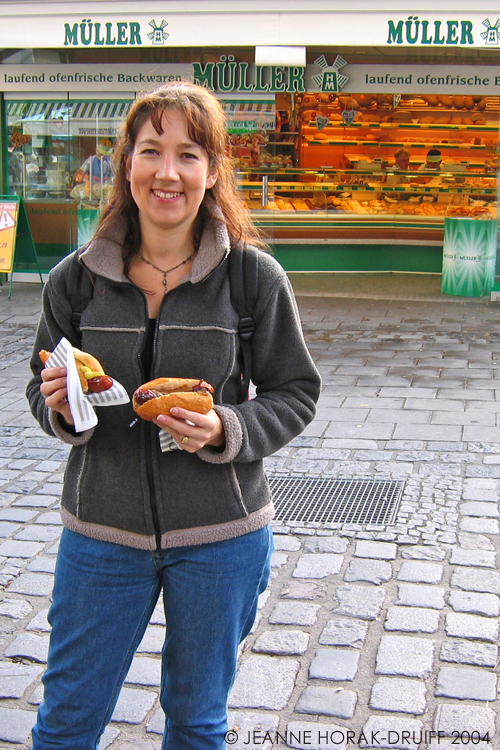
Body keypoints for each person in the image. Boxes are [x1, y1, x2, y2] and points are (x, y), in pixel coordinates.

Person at [26, 82, 321, 750]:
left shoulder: (253, 279)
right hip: (101, 535)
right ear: (126, 162)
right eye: (151, 150)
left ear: (212, 171)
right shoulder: (73, 281)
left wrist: (229, 428)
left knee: (197, 724)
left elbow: (296, 391)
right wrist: (62, 406)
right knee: (67, 723)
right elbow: (41, 393)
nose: (168, 172)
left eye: (188, 154)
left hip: (222, 537)